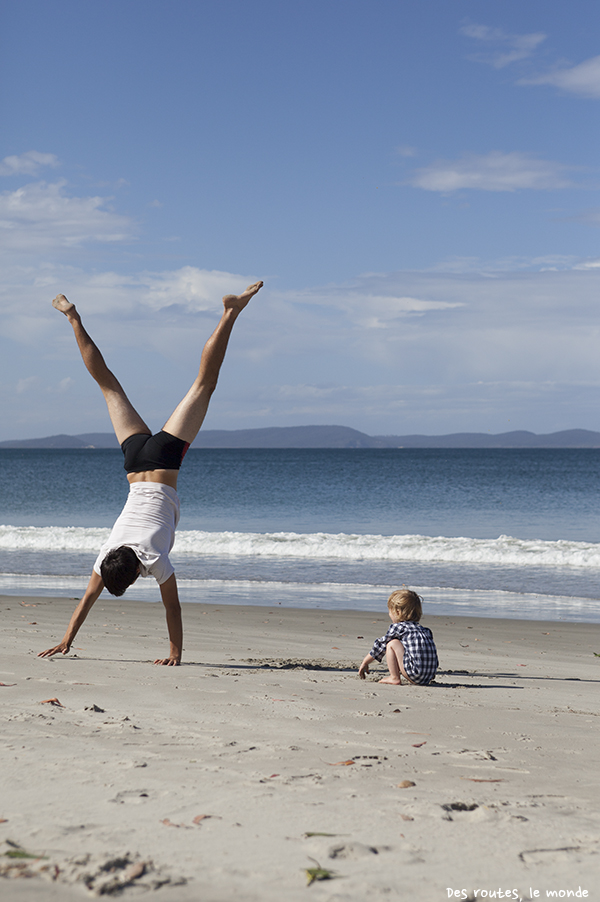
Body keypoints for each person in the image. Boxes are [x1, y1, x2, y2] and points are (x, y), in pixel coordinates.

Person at [38, 281, 263, 666]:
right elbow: (87, 598)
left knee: (204, 385)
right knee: (108, 386)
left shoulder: (154, 559)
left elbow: (172, 609)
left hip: (165, 461)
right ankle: (72, 316)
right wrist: (66, 639)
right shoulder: (107, 554)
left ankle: (231, 312)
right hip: (134, 461)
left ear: (135, 571)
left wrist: (175, 654)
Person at [358, 588, 438, 685]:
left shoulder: (398, 628)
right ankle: (422, 673)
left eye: (390, 612)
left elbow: (380, 646)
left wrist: (365, 662)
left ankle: (394, 677)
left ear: (398, 612)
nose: (389, 615)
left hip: (414, 674)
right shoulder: (425, 631)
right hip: (429, 676)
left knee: (392, 643)